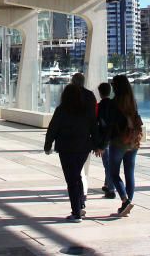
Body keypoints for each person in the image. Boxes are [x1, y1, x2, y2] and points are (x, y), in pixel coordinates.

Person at [44, 83, 98, 223]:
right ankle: (80, 205)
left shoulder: (61, 110)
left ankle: (76, 213)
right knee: (77, 175)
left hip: (66, 148)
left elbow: (53, 128)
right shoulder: (86, 110)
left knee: (72, 180)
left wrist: (48, 145)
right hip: (83, 148)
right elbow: (94, 128)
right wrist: (98, 145)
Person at [107, 75, 143, 217]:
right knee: (130, 173)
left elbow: (110, 125)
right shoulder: (132, 102)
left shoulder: (114, 103)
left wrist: (102, 142)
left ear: (116, 86)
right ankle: (127, 203)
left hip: (118, 141)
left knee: (114, 173)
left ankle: (125, 200)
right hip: (133, 141)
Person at [70, 72, 97, 208]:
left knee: (75, 174)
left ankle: (79, 203)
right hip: (85, 139)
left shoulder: (68, 96)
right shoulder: (90, 96)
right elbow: (93, 120)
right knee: (80, 170)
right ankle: (82, 199)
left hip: (70, 140)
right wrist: (97, 141)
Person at [95, 82, 116, 199]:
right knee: (110, 163)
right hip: (115, 138)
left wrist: (99, 144)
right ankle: (107, 183)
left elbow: (99, 125)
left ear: (100, 93)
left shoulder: (100, 106)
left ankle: (111, 188)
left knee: (107, 164)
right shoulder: (114, 104)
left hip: (105, 139)